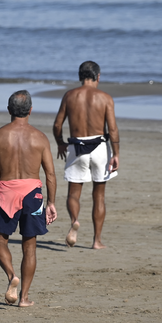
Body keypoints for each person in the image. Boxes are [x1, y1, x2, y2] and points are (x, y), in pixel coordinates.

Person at [0, 90, 57, 307]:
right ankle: (23, 298)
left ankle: (11, 275)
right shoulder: (40, 137)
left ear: (9, 110)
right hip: (32, 194)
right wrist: (51, 202)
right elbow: (50, 174)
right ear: (31, 110)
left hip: (5, 192)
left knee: (0, 240)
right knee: (30, 246)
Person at [52, 61, 120, 249]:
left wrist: (60, 143)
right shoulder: (105, 98)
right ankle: (97, 241)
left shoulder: (70, 96)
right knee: (99, 196)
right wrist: (116, 153)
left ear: (80, 76)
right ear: (98, 76)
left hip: (77, 146)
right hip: (99, 148)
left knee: (74, 194)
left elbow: (57, 124)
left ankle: (74, 220)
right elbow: (113, 129)